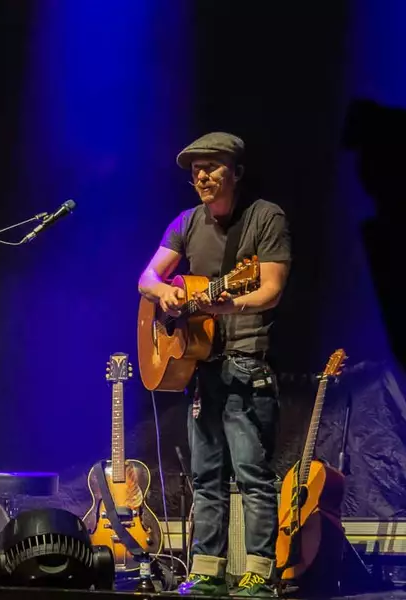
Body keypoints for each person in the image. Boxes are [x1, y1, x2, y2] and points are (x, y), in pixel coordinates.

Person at [138, 132, 291, 596]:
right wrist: (165, 292)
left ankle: (260, 575)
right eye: (195, 170)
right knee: (206, 478)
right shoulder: (186, 222)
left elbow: (268, 288)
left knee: (251, 475)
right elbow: (147, 276)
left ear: (236, 172)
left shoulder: (265, 217)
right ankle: (206, 570)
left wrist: (222, 306)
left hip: (247, 365)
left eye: (212, 167)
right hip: (202, 370)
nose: (201, 176)